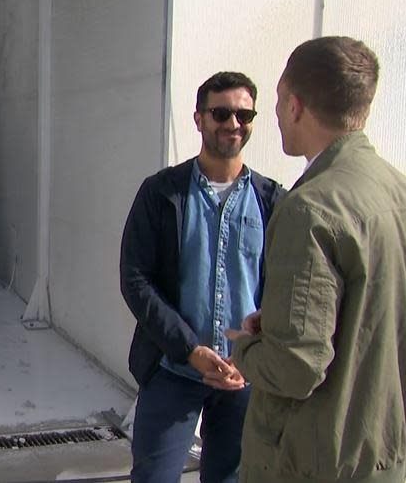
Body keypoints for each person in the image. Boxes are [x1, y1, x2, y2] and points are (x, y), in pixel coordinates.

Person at [226, 36, 406, 482]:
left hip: (319, 462)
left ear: (295, 106)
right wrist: (276, 322)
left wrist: (246, 347)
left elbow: (296, 368)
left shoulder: (309, 209)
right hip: (390, 453)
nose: (273, 115)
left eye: (276, 101)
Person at [120, 71, 285, 482]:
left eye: (244, 116)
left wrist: (256, 350)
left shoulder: (272, 201)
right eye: (221, 113)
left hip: (242, 377)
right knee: (153, 476)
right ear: (199, 119)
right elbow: (135, 279)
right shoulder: (162, 193)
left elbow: (284, 286)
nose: (233, 124)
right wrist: (189, 348)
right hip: (174, 368)